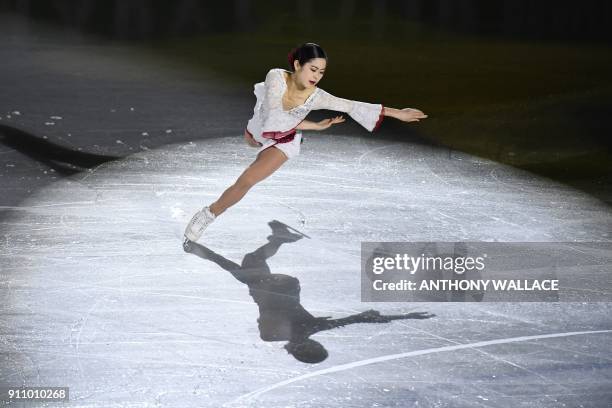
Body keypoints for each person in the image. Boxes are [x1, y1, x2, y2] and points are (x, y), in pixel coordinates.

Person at [184, 42, 428, 244]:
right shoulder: (276, 76)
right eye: (312, 69)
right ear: (297, 65)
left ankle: (209, 213)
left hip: (284, 139)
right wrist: (315, 125)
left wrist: (399, 113)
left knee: (247, 179)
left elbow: (353, 105)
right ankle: (277, 239)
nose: (316, 76)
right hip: (262, 125)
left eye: (321, 72)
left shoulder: (317, 96)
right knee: (250, 140)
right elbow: (273, 117)